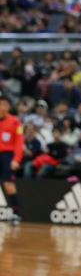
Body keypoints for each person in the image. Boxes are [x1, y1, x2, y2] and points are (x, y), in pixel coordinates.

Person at [0, 96, 23, 225]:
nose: (3, 107)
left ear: (9, 107)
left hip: (7, 156)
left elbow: (19, 142)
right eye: (0, 104)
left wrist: (16, 159)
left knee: (9, 186)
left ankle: (16, 214)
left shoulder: (15, 122)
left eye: (5, 104)